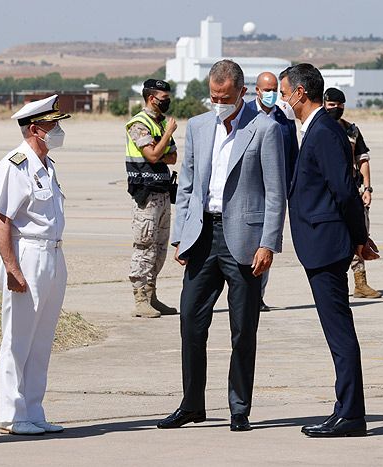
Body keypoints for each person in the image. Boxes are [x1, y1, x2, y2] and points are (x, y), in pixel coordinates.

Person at [157, 60, 286, 432]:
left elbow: (276, 193)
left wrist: (268, 244)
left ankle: (239, 407)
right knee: (190, 321)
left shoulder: (265, 129)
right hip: (202, 238)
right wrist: (181, 235)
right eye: (213, 97)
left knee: (243, 327)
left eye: (224, 97)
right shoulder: (198, 127)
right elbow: (187, 185)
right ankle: (192, 404)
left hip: (244, 240)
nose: (218, 103)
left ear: (241, 93)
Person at [279, 64, 378, 438]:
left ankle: (351, 414)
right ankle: (346, 410)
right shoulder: (311, 129)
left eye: (286, 92)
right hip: (320, 242)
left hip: (327, 243)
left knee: (340, 333)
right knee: (337, 332)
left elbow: (345, 190)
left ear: (300, 93)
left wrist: (359, 239)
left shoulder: (324, 131)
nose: (284, 100)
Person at [0, 95, 71, 435]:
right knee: (18, 338)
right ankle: (12, 413)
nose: (59, 131)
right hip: (28, 254)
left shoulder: (47, 166)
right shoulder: (15, 165)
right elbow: (1, 221)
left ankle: (33, 410)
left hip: (53, 254)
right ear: (36, 129)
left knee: (41, 339)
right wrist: (12, 269)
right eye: (53, 125)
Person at [125, 79, 179, 318]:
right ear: (151, 98)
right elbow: (154, 155)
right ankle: (140, 299)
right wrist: (166, 136)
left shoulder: (158, 123)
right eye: (163, 98)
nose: (166, 102)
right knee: (144, 246)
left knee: (159, 248)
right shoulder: (139, 123)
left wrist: (161, 145)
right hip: (146, 194)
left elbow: (172, 157)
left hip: (163, 191)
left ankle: (151, 294)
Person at [246, 71, 299, 311]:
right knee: (247, 244)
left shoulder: (284, 116)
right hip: (249, 190)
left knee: (267, 243)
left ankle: (257, 296)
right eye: (266, 90)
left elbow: (292, 155)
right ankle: (244, 295)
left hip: (274, 192)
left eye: (274, 90)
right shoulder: (243, 114)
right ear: (256, 90)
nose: (271, 94)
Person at [323, 87, 381, 299]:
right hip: (328, 194)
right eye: (331, 105)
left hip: (353, 191)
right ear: (323, 104)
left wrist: (367, 188)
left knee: (359, 235)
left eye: (339, 105)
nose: (336, 109)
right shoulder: (319, 129)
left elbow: (363, 159)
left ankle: (360, 283)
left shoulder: (351, 131)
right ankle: (333, 283)